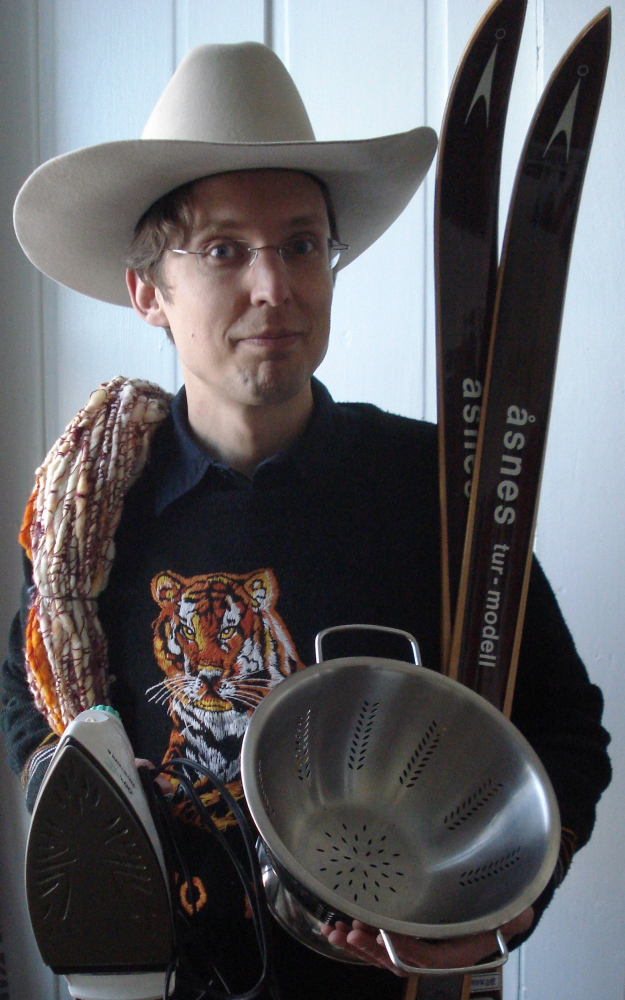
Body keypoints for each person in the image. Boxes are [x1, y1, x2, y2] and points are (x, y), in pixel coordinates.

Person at [1, 41, 611, 1000]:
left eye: (299, 244)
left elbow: (565, 733)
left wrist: (503, 903)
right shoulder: (91, 527)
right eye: (222, 250)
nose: (273, 288)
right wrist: (100, 847)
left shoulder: (437, 486)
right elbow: (30, 703)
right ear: (146, 291)